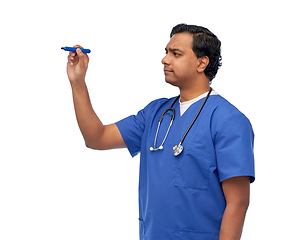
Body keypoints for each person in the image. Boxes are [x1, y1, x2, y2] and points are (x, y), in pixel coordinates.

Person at [66, 23, 255, 240]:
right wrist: (77, 81)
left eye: (176, 54)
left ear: (201, 63)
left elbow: (238, 202)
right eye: (166, 52)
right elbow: (96, 138)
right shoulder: (155, 113)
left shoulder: (229, 121)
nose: (165, 59)